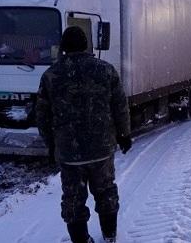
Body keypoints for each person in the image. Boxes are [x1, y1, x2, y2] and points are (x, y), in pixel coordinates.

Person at [36, 26, 132, 243]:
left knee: (73, 199)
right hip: (102, 149)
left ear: (63, 47)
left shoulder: (50, 76)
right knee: (106, 191)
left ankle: (81, 240)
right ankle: (109, 236)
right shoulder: (105, 70)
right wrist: (124, 134)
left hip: (69, 153)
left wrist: (51, 145)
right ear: (86, 45)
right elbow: (120, 105)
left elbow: (42, 116)